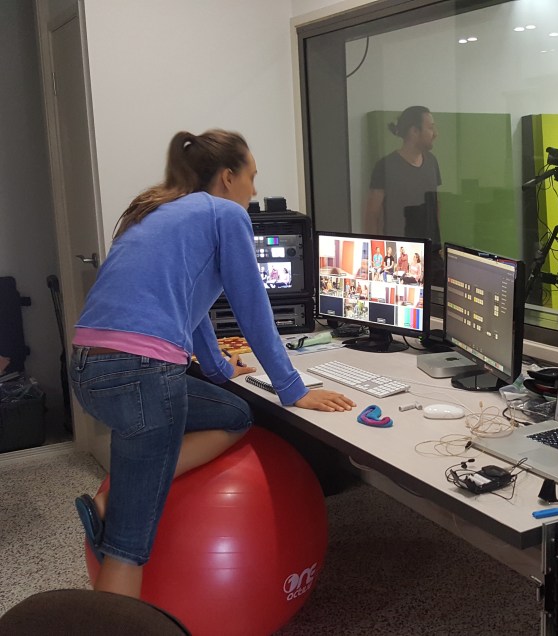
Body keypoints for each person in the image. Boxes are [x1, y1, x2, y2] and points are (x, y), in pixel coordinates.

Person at [69, 129, 355, 600]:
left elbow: (192, 302)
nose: (254, 191)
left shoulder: (159, 210)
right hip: (141, 373)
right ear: (227, 177)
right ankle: (118, 513)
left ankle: (123, 491)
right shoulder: (226, 213)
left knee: (234, 413)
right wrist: (294, 389)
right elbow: (252, 308)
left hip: (89, 368)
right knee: (126, 548)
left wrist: (220, 368)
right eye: (252, 177)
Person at [364, 106, 442, 253]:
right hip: (397, 251)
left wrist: (438, 247)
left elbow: (435, 205)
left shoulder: (432, 162)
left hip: (430, 251)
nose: (435, 134)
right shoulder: (385, 166)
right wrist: (374, 251)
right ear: (414, 131)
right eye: (430, 128)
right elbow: (372, 215)